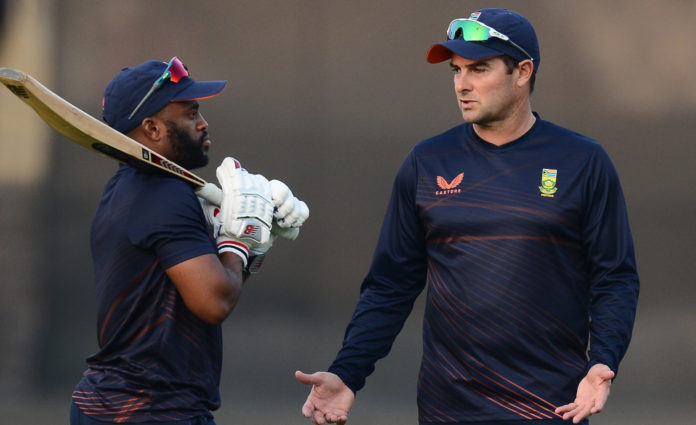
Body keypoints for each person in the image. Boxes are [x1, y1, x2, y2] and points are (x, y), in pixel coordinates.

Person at [296, 8, 639, 425]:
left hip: (551, 407)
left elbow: (615, 277)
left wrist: (603, 361)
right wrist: (347, 373)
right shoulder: (426, 161)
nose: (462, 84)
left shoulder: (582, 161)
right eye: (457, 70)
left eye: (479, 68)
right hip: (448, 409)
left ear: (523, 71)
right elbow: (390, 286)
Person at [69, 57, 308, 425]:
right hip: (150, 408)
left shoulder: (126, 189)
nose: (202, 123)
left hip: (119, 402)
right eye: (190, 112)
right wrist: (239, 240)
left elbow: (212, 284)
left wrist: (256, 244)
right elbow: (213, 302)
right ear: (151, 128)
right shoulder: (164, 195)